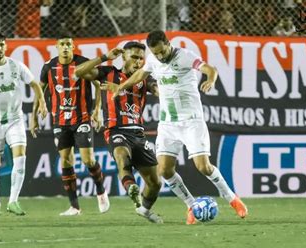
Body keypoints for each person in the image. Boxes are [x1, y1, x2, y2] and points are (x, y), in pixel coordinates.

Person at [104, 30, 248, 220]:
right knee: (164, 170)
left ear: (168, 43)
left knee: (203, 166)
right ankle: (190, 205)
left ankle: (232, 198)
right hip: (168, 124)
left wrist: (210, 80)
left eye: (162, 52)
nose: (160, 56)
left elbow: (210, 69)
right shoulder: (154, 60)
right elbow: (140, 74)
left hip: (191, 121)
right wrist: (121, 88)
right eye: (156, 53)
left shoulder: (185, 56)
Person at [74, 42, 164, 223]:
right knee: (122, 156)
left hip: (138, 133)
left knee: (155, 183)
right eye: (134, 57)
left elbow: (159, 90)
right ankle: (132, 189)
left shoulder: (145, 79)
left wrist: (164, 90)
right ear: (124, 57)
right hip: (116, 130)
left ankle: (144, 209)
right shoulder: (109, 74)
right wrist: (105, 57)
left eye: (141, 58)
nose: (138, 62)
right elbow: (78, 72)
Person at [31, 34, 110, 216]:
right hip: (60, 120)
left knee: (87, 159)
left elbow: (98, 85)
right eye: (62, 44)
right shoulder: (49, 67)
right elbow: (40, 91)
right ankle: (75, 206)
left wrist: (96, 110)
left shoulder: (83, 63)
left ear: (73, 46)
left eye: (68, 44)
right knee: (66, 160)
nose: (65, 47)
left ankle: (100, 191)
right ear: (56, 47)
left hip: (82, 118)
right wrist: (34, 116)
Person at [0, 32, 48, 217]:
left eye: (1, 44)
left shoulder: (16, 66)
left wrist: (42, 102)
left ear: (6, 47)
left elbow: (35, 85)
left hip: (15, 119)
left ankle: (13, 201)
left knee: (20, 155)